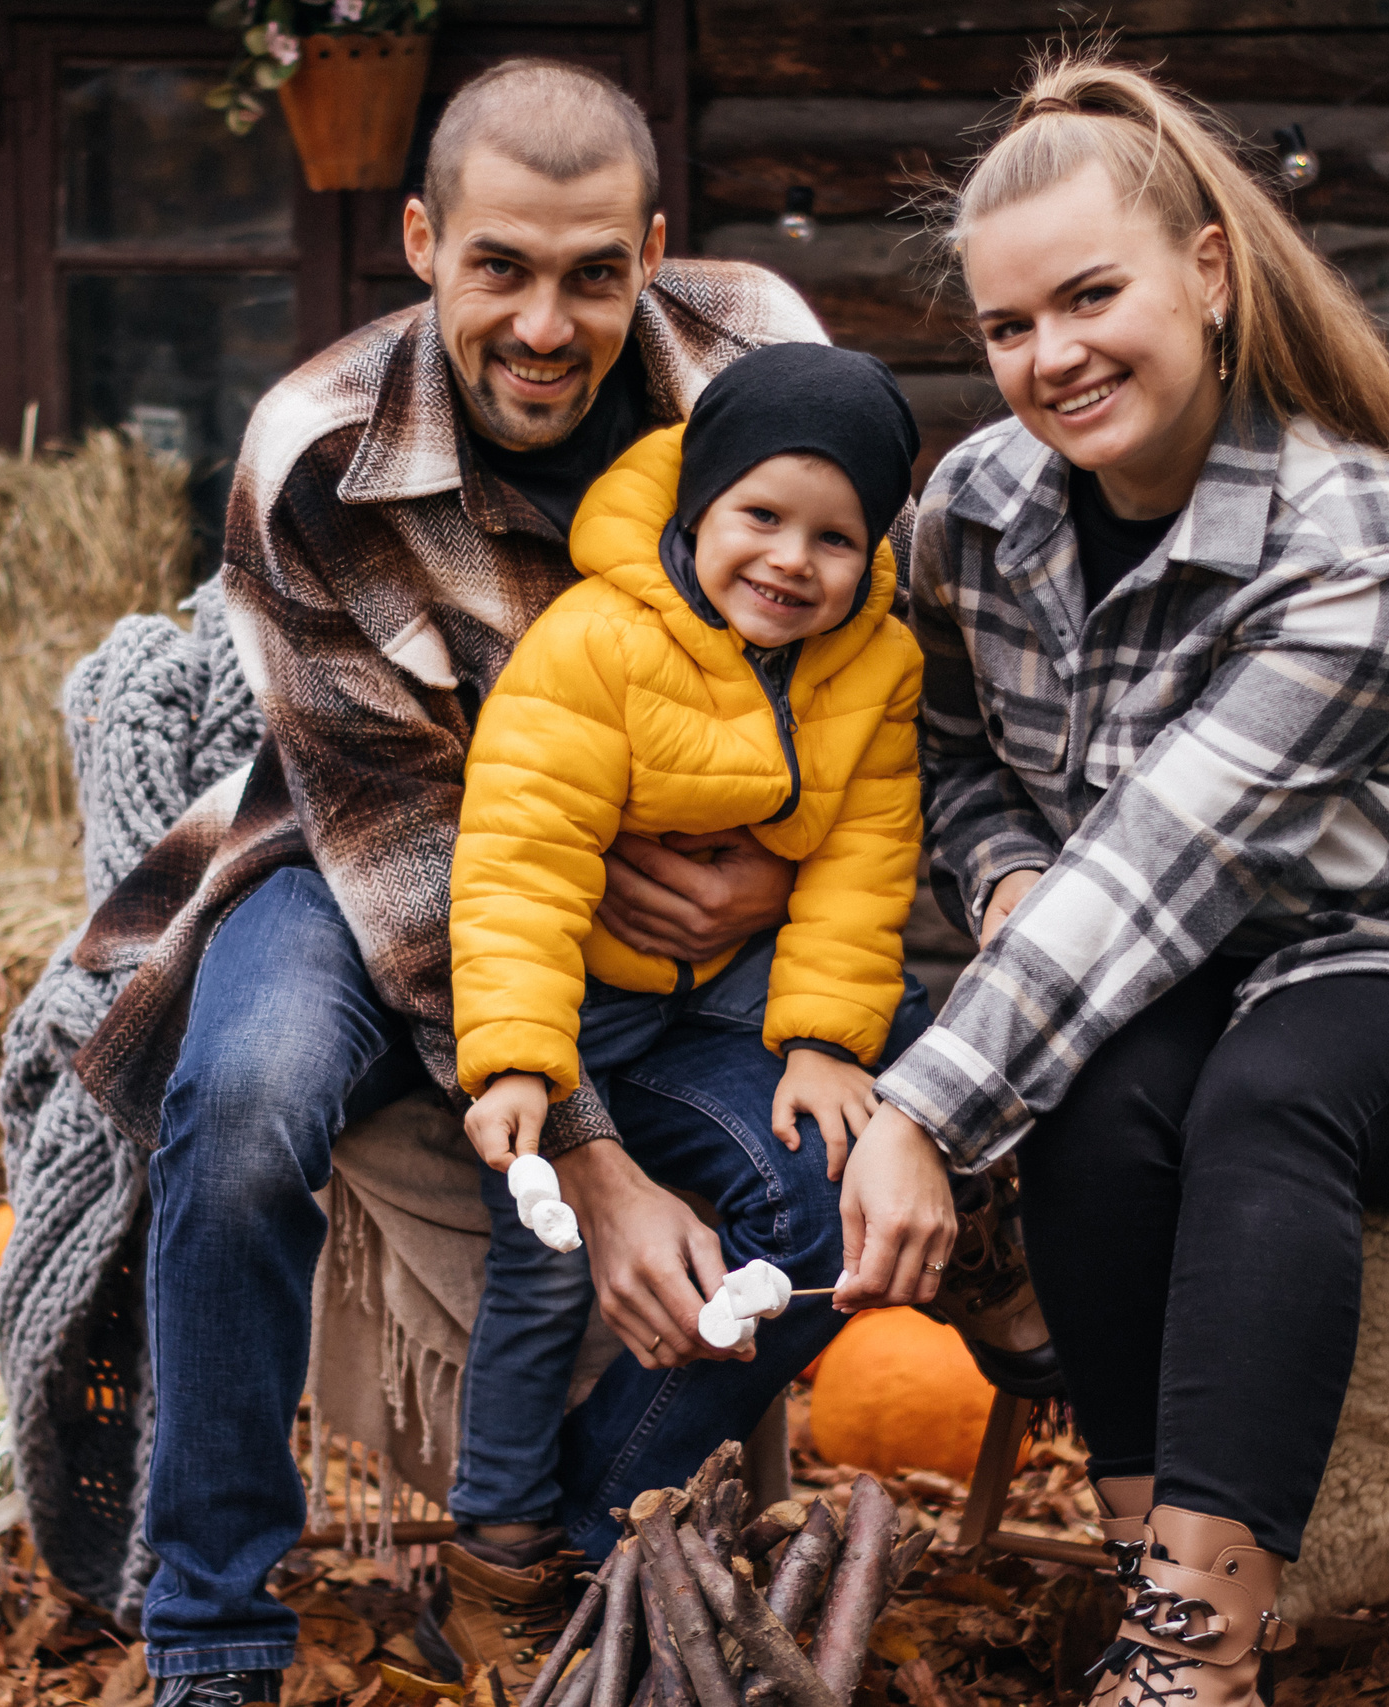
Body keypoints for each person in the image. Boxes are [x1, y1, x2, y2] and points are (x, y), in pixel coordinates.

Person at [830, 52, 1389, 1707]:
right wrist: (1010, 873)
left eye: (1092, 295)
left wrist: (919, 1112)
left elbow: (1182, 848)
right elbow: (950, 756)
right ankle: (1175, 1603)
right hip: (1166, 959)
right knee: (1107, 1101)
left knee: (1270, 1090)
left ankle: (1186, 1664)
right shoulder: (972, 512)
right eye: (1006, 326)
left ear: (1209, 271)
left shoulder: (1361, 537)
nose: (1051, 358)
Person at [66, 60, 847, 1707]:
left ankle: (547, 1537)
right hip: (366, 855)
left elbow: (863, 659)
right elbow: (417, 866)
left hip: (664, 861)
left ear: (653, 250)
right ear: (422, 241)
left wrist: (768, 873)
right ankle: (212, 1627)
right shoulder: (316, 451)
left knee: (845, 1174)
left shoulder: (762, 362)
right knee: (252, 1089)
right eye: (499, 265)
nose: (546, 324)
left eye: (589, 272)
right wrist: (591, 1150)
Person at [445, 343, 930, 1630]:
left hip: (724, 985)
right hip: (591, 1005)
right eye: (760, 517)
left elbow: (866, 856)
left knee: (893, 1081)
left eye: (834, 537)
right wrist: (517, 1059)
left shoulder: (874, 661)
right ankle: (496, 1536)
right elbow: (518, 863)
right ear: (698, 507)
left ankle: (619, 1507)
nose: (791, 561)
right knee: (542, 1260)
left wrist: (826, 1039)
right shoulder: (598, 642)